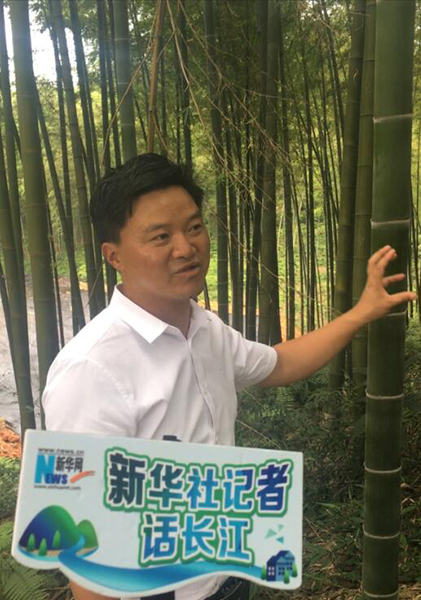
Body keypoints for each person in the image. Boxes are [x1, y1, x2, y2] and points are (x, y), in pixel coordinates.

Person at [42, 153, 416, 600]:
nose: (186, 248)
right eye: (161, 236)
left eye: (194, 227)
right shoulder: (90, 369)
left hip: (230, 577)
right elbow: (84, 551)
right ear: (114, 255)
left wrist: (361, 313)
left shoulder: (206, 330)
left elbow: (280, 363)